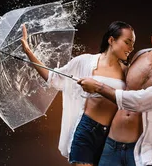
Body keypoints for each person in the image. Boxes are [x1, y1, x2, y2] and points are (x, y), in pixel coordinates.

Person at [19, 21, 135, 165]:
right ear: (111, 40)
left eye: (133, 44)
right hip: (87, 130)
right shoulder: (85, 61)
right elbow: (53, 77)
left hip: (111, 138)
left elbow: (135, 100)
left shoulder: (127, 71)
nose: (131, 48)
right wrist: (28, 52)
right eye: (128, 42)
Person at [78, 18, 152, 166]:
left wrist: (99, 87)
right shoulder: (140, 55)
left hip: (144, 152)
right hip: (111, 146)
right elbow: (121, 84)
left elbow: (140, 101)